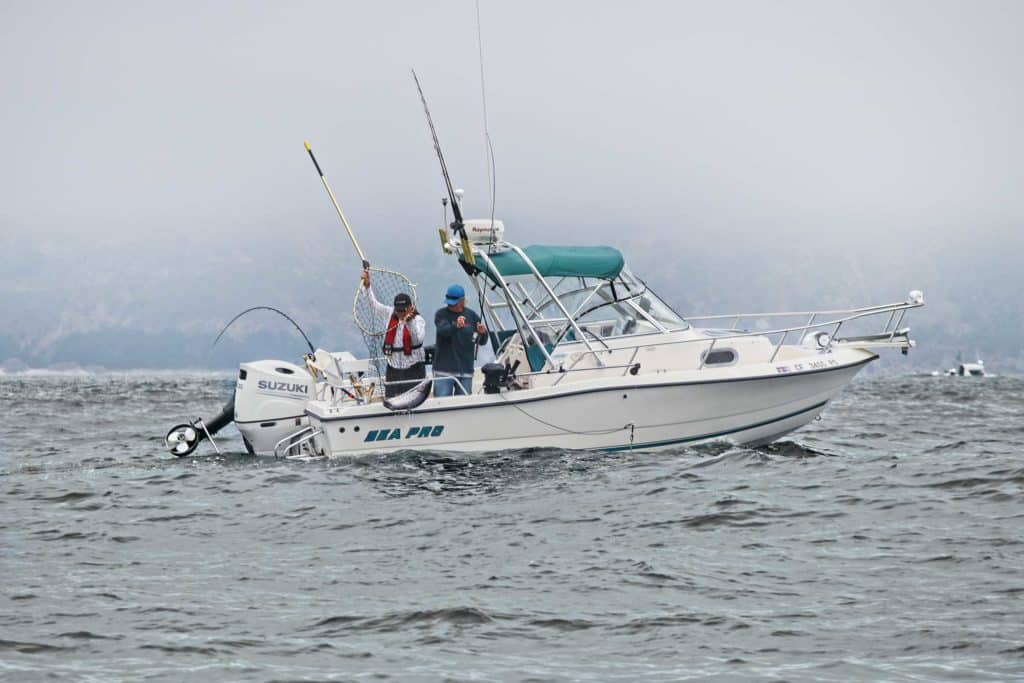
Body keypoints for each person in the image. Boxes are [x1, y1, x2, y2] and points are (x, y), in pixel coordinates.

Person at [359, 269, 426, 398]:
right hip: (393, 367)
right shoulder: (389, 313)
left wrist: (409, 322)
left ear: (410, 308)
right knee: (392, 398)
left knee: (412, 399)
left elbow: (418, 340)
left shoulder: (418, 320)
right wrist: (367, 287)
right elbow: (373, 304)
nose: (400, 313)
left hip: (413, 367)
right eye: (398, 310)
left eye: (403, 311)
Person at [433, 283, 487, 397]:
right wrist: (456, 326)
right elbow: (444, 331)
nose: (450, 305)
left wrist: (482, 333)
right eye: (449, 303)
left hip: (466, 371)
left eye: (454, 303)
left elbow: (481, 341)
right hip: (444, 371)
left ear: (462, 301)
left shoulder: (472, 316)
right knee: (442, 405)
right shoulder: (441, 315)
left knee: (464, 406)